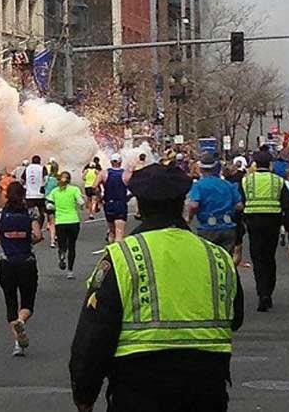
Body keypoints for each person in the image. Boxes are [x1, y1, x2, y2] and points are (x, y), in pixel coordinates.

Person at [69, 163, 244, 412]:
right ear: (182, 201)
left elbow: (94, 333)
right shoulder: (218, 257)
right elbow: (235, 318)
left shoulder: (122, 257)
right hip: (207, 387)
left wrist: (84, 394)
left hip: (138, 388)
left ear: (140, 206)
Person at [0, 182, 43, 357]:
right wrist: (27, 240)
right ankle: (21, 320)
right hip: (26, 261)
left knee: (10, 302)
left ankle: (18, 344)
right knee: (27, 302)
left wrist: (2, 241)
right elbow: (38, 235)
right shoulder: (31, 213)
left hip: (7, 263)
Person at [242, 150, 289, 312]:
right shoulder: (278, 181)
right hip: (272, 221)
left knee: (257, 259)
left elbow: (240, 203)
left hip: (253, 222)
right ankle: (268, 292)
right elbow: (288, 206)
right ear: (270, 164)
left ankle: (261, 292)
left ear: (255, 164)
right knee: (269, 258)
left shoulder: (247, 181)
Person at [188, 153, 243, 255]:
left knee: (210, 260)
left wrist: (189, 219)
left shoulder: (198, 186)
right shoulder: (227, 184)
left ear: (201, 169)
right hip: (228, 226)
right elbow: (239, 206)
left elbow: (194, 205)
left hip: (208, 228)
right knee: (227, 259)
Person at [46, 171, 84, 279]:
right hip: (73, 221)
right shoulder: (74, 189)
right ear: (69, 180)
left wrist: (54, 208)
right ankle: (70, 272)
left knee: (62, 244)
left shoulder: (55, 191)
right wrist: (81, 206)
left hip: (60, 222)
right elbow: (81, 202)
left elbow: (49, 205)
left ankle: (62, 254)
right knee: (72, 246)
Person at [93, 153, 131, 243]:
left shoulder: (104, 173)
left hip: (108, 203)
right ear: (120, 162)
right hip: (120, 204)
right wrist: (129, 196)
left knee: (111, 231)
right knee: (119, 232)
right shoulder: (126, 174)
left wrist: (99, 198)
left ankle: (110, 250)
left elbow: (94, 186)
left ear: (111, 162)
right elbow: (136, 187)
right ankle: (117, 253)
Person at [22, 155, 48, 224]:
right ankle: (39, 227)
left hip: (29, 195)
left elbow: (22, 180)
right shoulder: (42, 168)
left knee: (30, 213)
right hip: (40, 195)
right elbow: (46, 179)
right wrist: (43, 186)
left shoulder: (27, 168)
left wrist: (26, 186)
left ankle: (31, 227)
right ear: (40, 161)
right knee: (41, 212)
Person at [45, 163, 59, 248]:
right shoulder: (58, 180)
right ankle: (56, 236)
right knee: (56, 221)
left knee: (51, 222)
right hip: (56, 202)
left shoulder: (46, 179)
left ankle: (52, 240)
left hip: (47, 201)